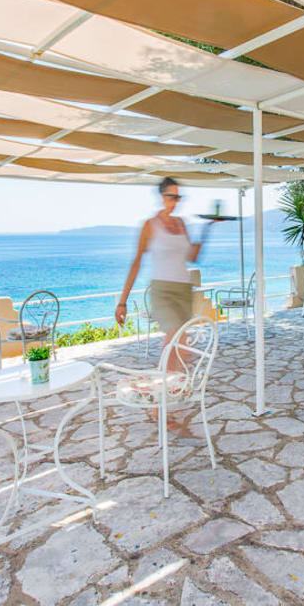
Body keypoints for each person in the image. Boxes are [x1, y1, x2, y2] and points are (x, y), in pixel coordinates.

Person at [115, 177, 213, 434]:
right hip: (163, 290)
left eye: (179, 197)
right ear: (161, 196)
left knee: (182, 349)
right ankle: (160, 407)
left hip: (183, 290)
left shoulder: (181, 224)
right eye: (172, 196)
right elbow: (137, 261)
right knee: (172, 342)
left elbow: (192, 257)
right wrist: (122, 301)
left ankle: (167, 395)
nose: (176, 201)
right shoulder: (150, 225)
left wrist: (207, 229)